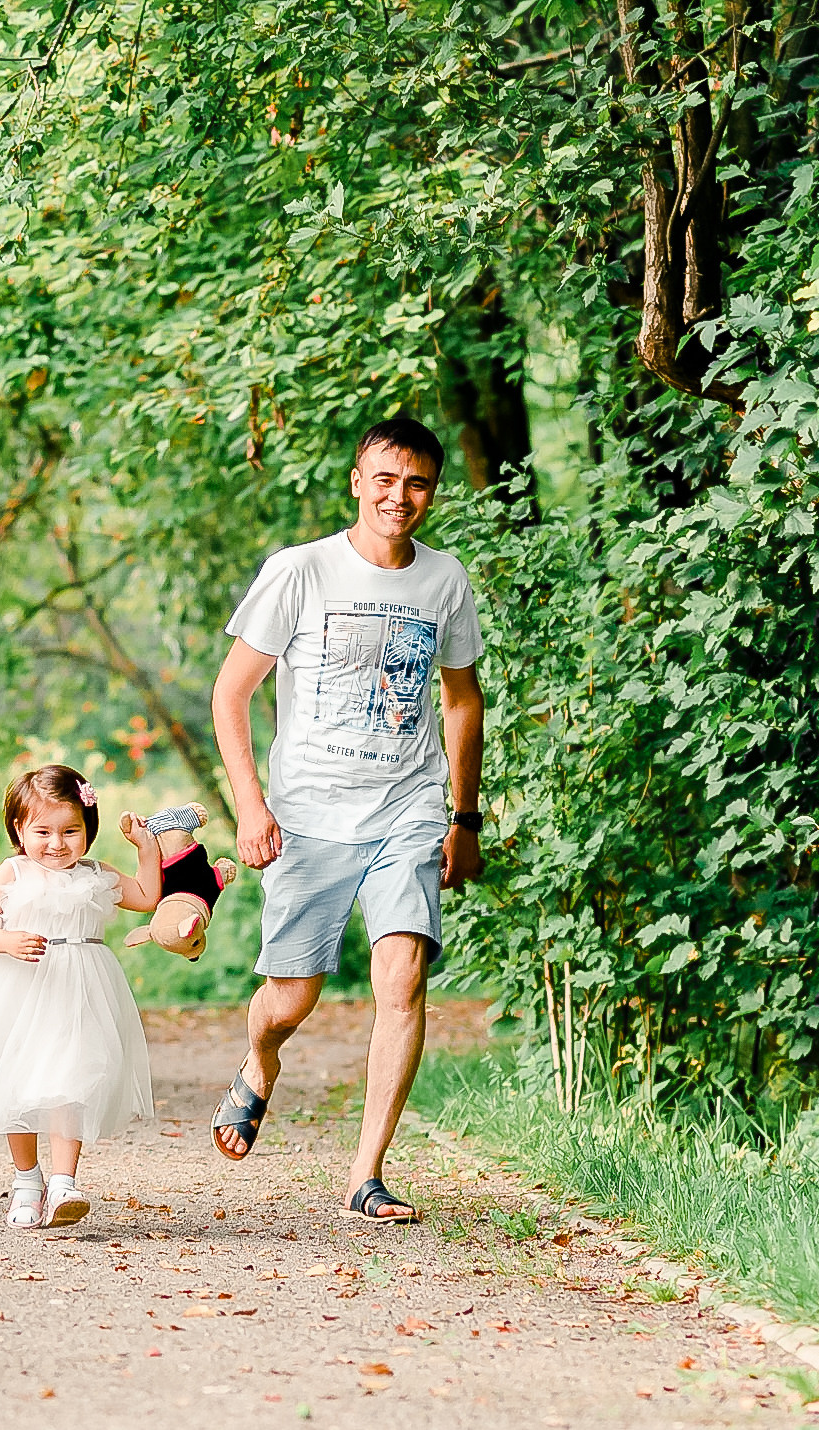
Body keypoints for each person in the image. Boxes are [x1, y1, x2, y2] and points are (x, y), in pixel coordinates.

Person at [208, 415, 486, 1224]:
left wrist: (461, 819)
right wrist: (251, 806)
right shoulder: (300, 572)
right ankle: (259, 1063)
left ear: (432, 493)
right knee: (289, 1002)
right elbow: (231, 696)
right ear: (359, 482)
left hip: (408, 811)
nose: (401, 497)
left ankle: (366, 1175)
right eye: (387, 479)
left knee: (402, 980)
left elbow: (461, 699)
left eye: (419, 483)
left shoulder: (444, 580)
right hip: (309, 816)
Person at [0, 766, 163, 1230]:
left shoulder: (97, 873)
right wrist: (7, 941)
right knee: (17, 1085)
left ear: (89, 830)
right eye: (42, 831)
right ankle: (27, 1180)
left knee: (72, 1079)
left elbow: (145, 896)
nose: (57, 843)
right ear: (19, 830)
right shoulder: (13, 871)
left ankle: (64, 1184)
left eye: (70, 831)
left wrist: (147, 848)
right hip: (18, 987)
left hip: (80, 988)